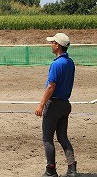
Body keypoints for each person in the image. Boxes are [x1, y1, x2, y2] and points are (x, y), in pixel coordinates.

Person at [35, 33, 77, 177]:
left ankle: (51, 170)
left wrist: (41, 104)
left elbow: (51, 87)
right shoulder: (70, 62)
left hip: (54, 105)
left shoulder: (56, 64)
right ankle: (72, 168)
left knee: (47, 138)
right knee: (62, 137)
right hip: (65, 104)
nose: (51, 44)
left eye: (52, 42)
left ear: (58, 45)